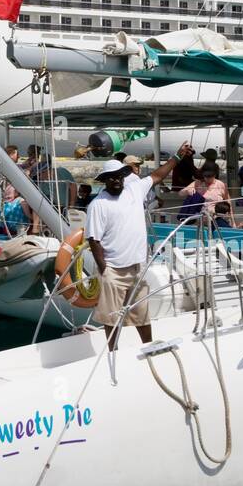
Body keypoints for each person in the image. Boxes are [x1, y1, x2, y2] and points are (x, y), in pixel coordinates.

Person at [86, 142, 194, 348]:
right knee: (112, 316)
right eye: (111, 178)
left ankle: (149, 346)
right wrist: (104, 270)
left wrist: (177, 157)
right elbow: (94, 240)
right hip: (113, 270)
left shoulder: (134, 189)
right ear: (104, 181)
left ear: (123, 176)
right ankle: (112, 351)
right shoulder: (98, 205)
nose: (116, 180)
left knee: (141, 312)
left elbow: (157, 175)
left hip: (137, 267)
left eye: (119, 176)